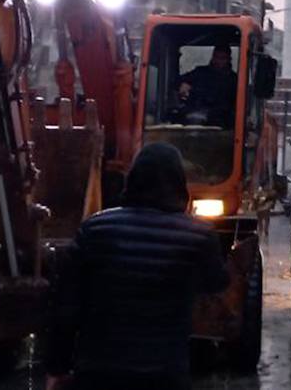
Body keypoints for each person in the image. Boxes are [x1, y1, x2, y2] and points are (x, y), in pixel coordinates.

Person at [46, 143, 228, 390]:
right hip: (164, 375)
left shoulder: (94, 229)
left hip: (98, 373)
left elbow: (66, 307)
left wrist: (57, 368)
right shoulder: (200, 237)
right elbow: (218, 285)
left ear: (132, 179)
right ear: (178, 183)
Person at [177, 45, 238, 126]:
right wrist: (183, 84)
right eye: (216, 57)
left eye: (222, 58)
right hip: (193, 118)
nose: (218, 61)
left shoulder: (234, 80)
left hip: (222, 122)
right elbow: (176, 80)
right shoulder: (200, 72)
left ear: (229, 60)